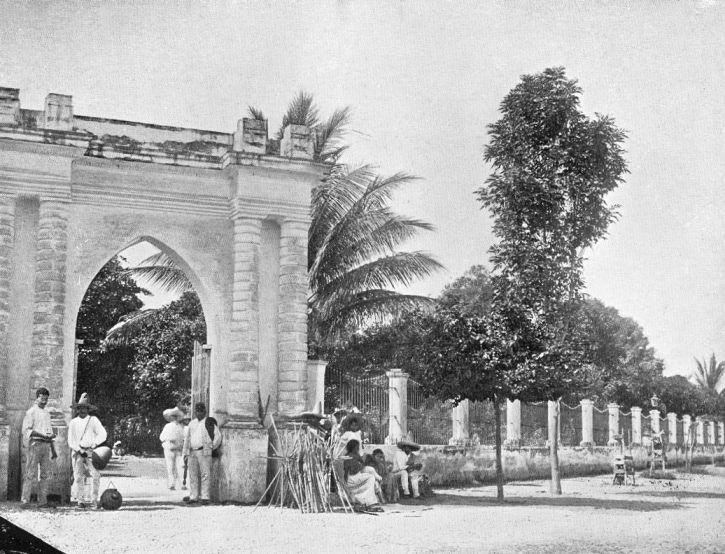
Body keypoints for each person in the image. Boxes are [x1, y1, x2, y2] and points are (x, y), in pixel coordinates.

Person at [67, 393, 107, 509]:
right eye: (80, 408)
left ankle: (94, 501)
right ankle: (80, 501)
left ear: (88, 409)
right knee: (78, 476)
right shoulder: (73, 422)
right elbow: (70, 440)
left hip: (91, 451)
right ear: (77, 409)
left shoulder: (93, 420)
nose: (83, 410)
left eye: (85, 408)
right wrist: (79, 450)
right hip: (78, 451)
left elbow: (103, 434)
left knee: (95, 475)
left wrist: (94, 444)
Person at [20, 387, 57, 508]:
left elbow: (48, 431)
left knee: (45, 474)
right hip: (35, 444)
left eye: (46, 399)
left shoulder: (47, 413)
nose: (44, 401)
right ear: (37, 398)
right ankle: (25, 501)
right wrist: (41, 435)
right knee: (30, 473)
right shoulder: (31, 412)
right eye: (42, 398)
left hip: (46, 446)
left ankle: (43, 501)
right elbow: (26, 430)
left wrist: (51, 438)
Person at [182, 403, 221, 505]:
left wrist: (212, 447)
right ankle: (193, 496)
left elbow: (217, 437)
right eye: (197, 411)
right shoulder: (192, 423)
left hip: (204, 451)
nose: (199, 413)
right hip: (192, 451)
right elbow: (187, 438)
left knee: (205, 474)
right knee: (193, 474)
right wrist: (185, 452)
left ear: (205, 412)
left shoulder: (209, 422)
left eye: (201, 411)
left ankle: (205, 496)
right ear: (195, 412)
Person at [343, 439, 382, 512]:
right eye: (357, 447)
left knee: (370, 472)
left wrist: (361, 462)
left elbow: (362, 467)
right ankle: (370, 503)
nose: (358, 449)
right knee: (371, 477)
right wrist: (361, 462)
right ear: (353, 447)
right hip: (352, 479)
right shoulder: (350, 456)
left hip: (355, 477)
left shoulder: (354, 455)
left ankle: (364, 501)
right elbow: (353, 470)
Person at [159, 407, 186, 490]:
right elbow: (162, 437)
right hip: (169, 447)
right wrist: (166, 443)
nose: (175, 418)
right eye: (173, 416)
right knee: (170, 467)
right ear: (171, 417)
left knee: (181, 466)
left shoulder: (182, 427)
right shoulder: (167, 426)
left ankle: (182, 484)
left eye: (176, 416)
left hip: (179, 448)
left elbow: (185, 437)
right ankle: (171, 484)